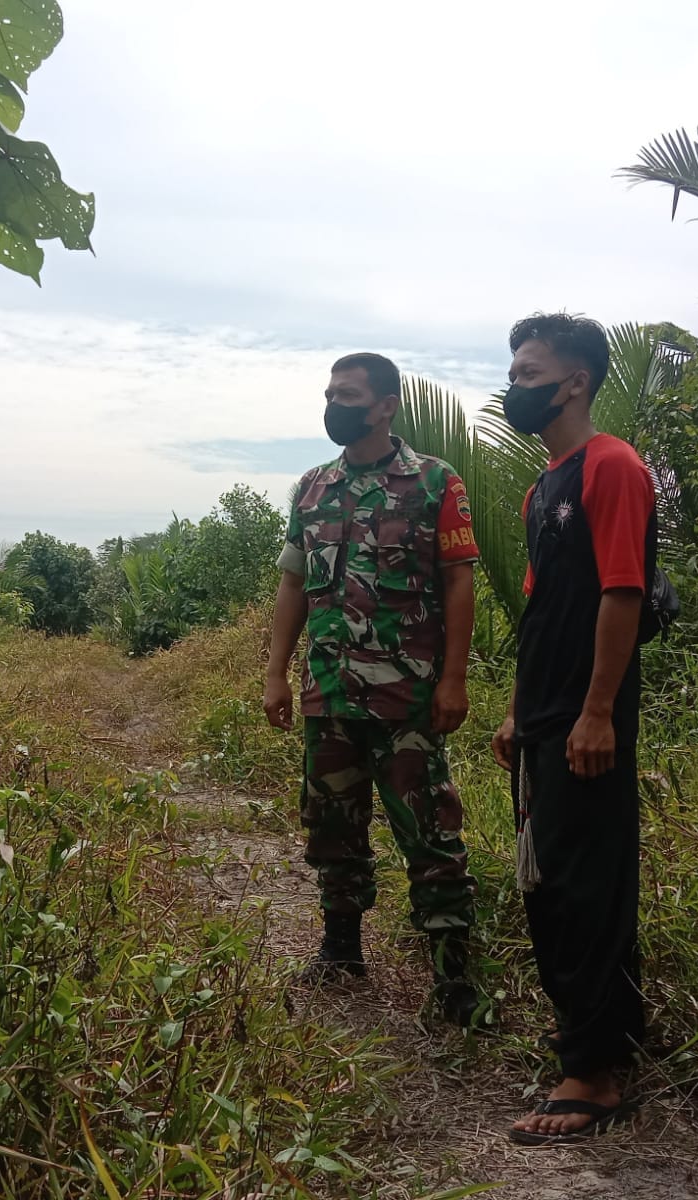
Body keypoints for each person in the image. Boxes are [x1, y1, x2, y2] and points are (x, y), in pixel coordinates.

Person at [263, 351, 486, 1027]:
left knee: (430, 833)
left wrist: (453, 680)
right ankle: (341, 950)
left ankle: (453, 979)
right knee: (332, 827)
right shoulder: (313, 487)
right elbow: (294, 582)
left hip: (406, 698)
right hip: (328, 692)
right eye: (330, 393)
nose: (335, 405)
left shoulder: (434, 483)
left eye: (349, 395)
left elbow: (459, 582)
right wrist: (276, 670)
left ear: (386, 405)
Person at [490, 313, 655, 1144]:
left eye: (528, 373)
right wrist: (518, 712)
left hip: (588, 720)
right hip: (545, 718)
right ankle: (602, 1042)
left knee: (587, 889)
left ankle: (593, 1075)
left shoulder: (612, 465)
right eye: (514, 373)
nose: (514, 387)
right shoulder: (541, 487)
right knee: (551, 885)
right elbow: (542, 610)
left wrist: (596, 713)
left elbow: (622, 592)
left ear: (576, 382)